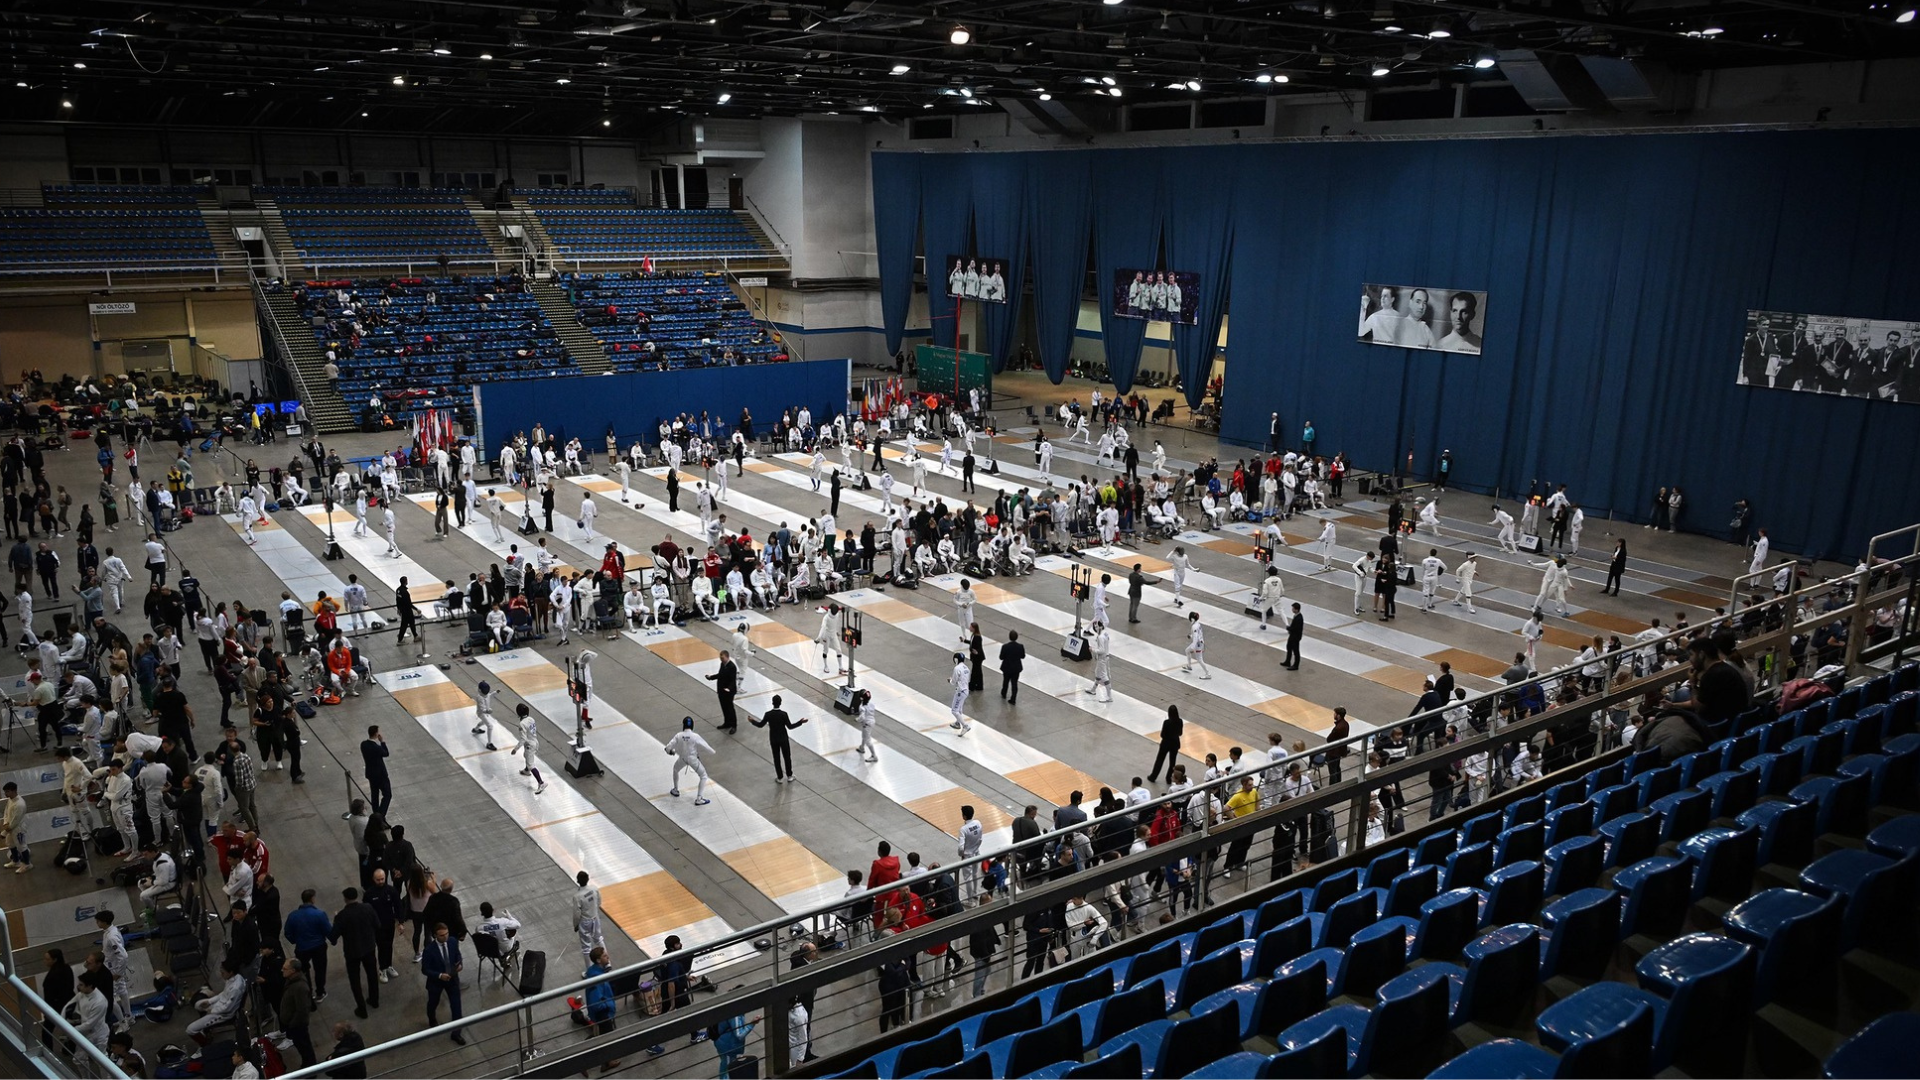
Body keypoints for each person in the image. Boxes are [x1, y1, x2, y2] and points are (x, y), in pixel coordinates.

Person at [421, 923, 467, 1044]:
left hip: (452, 979)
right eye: (441, 935)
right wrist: (440, 975)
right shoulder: (429, 950)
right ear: (435, 935)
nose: (445, 937)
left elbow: (457, 954)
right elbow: (425, 969)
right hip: (436, 982)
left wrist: (459, 963)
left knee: (456, 1006)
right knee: (433, 1002)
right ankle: (432, 1018)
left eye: (446, 934)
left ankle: (456, 1033)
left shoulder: (452, 941)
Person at [750, 694, 808, 783]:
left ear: (772, 703)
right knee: (787, 757)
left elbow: (760, 725)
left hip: (773, 739)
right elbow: (790, 726)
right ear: (780, 703)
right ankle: (789, 775)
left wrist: (752, 721)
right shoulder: (783, 714)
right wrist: (800, 722)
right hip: (783, 739)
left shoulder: (768, 714)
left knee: (776, 758)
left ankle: (780, 777)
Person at [666, 716, 715, 804]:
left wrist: (671, 752)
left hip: (683, 758)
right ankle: (699, 799)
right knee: (703, 776)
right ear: (692, 725)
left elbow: (667, 748)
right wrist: (713, 752)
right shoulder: (695, 736)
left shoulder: (679, 735)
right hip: (693, 759)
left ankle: (675, 790)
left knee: (675, 769)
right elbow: (706, 746)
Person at [515, 704, 547, 795]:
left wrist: (516, 749)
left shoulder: (522, 724)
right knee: (525, 755)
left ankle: (541, 783)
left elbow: (523, 739)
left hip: (530, 745)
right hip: (535, 741)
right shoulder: (531, 719)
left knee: (531, 765)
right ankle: (526, 770)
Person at [706, 650, 739, 733]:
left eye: (722, 658)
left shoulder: (732, 667)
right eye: (720, 658)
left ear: (727, 657)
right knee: (724, 707)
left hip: (728, 692)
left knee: (730, 708)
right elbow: (720, 675)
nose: (721, 660)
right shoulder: (722, 664)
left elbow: (732, 680)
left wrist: (729, 688)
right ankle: (727, 722)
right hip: (721, 691)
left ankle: (733, 725)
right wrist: (711, 677)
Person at [1149, 705, 1183, 784]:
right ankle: (1169, 778)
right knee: (1172, 762)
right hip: (1175, 743)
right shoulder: (1180, 721)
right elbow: (1180, 733)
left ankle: (1153, 776)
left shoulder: (1167, 722)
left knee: (1159, 761)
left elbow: (1162, 735)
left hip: (1166, 743)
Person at [947, 652, 973, 735]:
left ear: (956, 659)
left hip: (960, 692)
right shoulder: (966, 668)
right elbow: (967, 680)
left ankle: (965, 726)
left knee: (954, 711)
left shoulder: (957, 668)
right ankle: (957, 723)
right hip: (966, 691)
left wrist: (950, 680)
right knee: (959, 709)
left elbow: (953, 681)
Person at [1254, 566, 1286, 631]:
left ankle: (1263, 625)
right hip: (1277, 597)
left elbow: (1265, 592)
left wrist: (1261, 598)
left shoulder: (1267, 581)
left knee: (1263, 610)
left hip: (1270, 598)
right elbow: (1282, 589)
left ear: (1269, 573)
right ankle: (1287, 625)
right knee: (1281, 611)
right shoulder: (1279, 579)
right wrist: (1281, 595)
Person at [998, 629, 1025, 704]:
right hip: (1016, 668)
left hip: (1007, 667)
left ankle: (1004, 693)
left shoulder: (1005, 647)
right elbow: (1023, 656)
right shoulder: (1020, 646)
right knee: (1014, 683)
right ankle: (1013, 698)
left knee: (1005, 681)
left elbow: (1001, 657)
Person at [1182, 611, 1211, 679]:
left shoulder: (1194, 626)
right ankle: (1189, 666)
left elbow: (1196, 637)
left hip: (1198, 644)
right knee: (1187, 651)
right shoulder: (1198, 624)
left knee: (1200, 660)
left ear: (1192, 619)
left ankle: (1208, 674)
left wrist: (1193, 646)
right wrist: (1191, 636)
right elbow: (1197, 634)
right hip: (1199, 643)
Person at [1283, 603, 1304, 670]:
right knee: (1289, 647)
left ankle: (1296, 665)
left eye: (1293, 608)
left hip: (1295, 637)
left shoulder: (1299, 618)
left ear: (1296, 609)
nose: (1292, 609)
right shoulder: (1296, 616)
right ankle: (1287, 661)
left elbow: (1296, 628)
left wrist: (1289, 628)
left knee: (1296, 651)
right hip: (1292, 635)